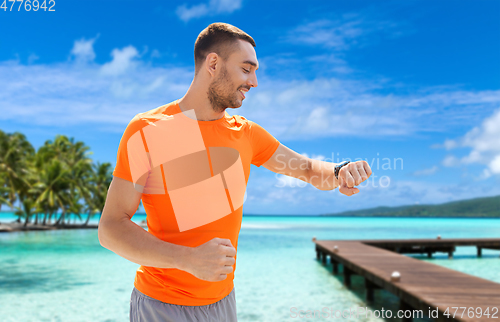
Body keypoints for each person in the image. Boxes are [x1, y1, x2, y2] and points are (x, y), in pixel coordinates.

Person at [98, 22, 372, 322]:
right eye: (246, 69)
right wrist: (186, 259)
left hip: (223, 303)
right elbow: (111, 228)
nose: (254, 81)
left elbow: (306, 169)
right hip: (161, 306)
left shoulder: (247, 134)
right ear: (213, 63)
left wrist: (340, 171)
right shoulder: (146, 130)